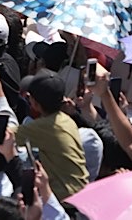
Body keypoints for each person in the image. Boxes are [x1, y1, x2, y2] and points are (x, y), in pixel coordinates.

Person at [15, 70, 89, 201]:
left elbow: (6, 136)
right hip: (80, 195)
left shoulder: (45, 126)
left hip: (64, 199)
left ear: (35, 103)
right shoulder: (66, 120)